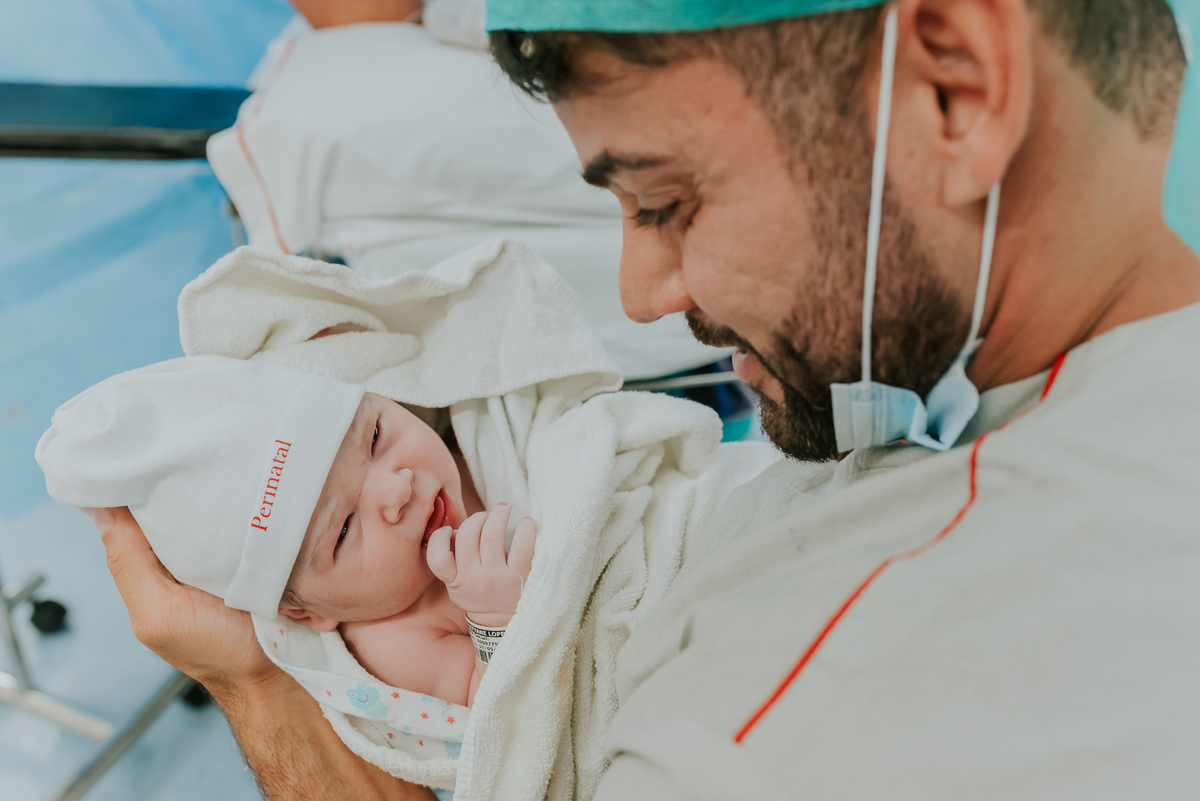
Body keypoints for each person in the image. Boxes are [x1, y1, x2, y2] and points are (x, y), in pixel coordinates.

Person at [93, 0, 1200, 798]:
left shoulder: (757, 744)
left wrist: (264, 697)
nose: (641, 293)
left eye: (664, 200)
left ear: (959, 85)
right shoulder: (1023, 389)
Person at [37, 356, 536, 709]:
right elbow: (500, 718)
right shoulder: (397, 639)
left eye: (376, 437)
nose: (396, 489)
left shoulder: (479, 442)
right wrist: (495, 620)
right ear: (305, 611)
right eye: (342, 530)